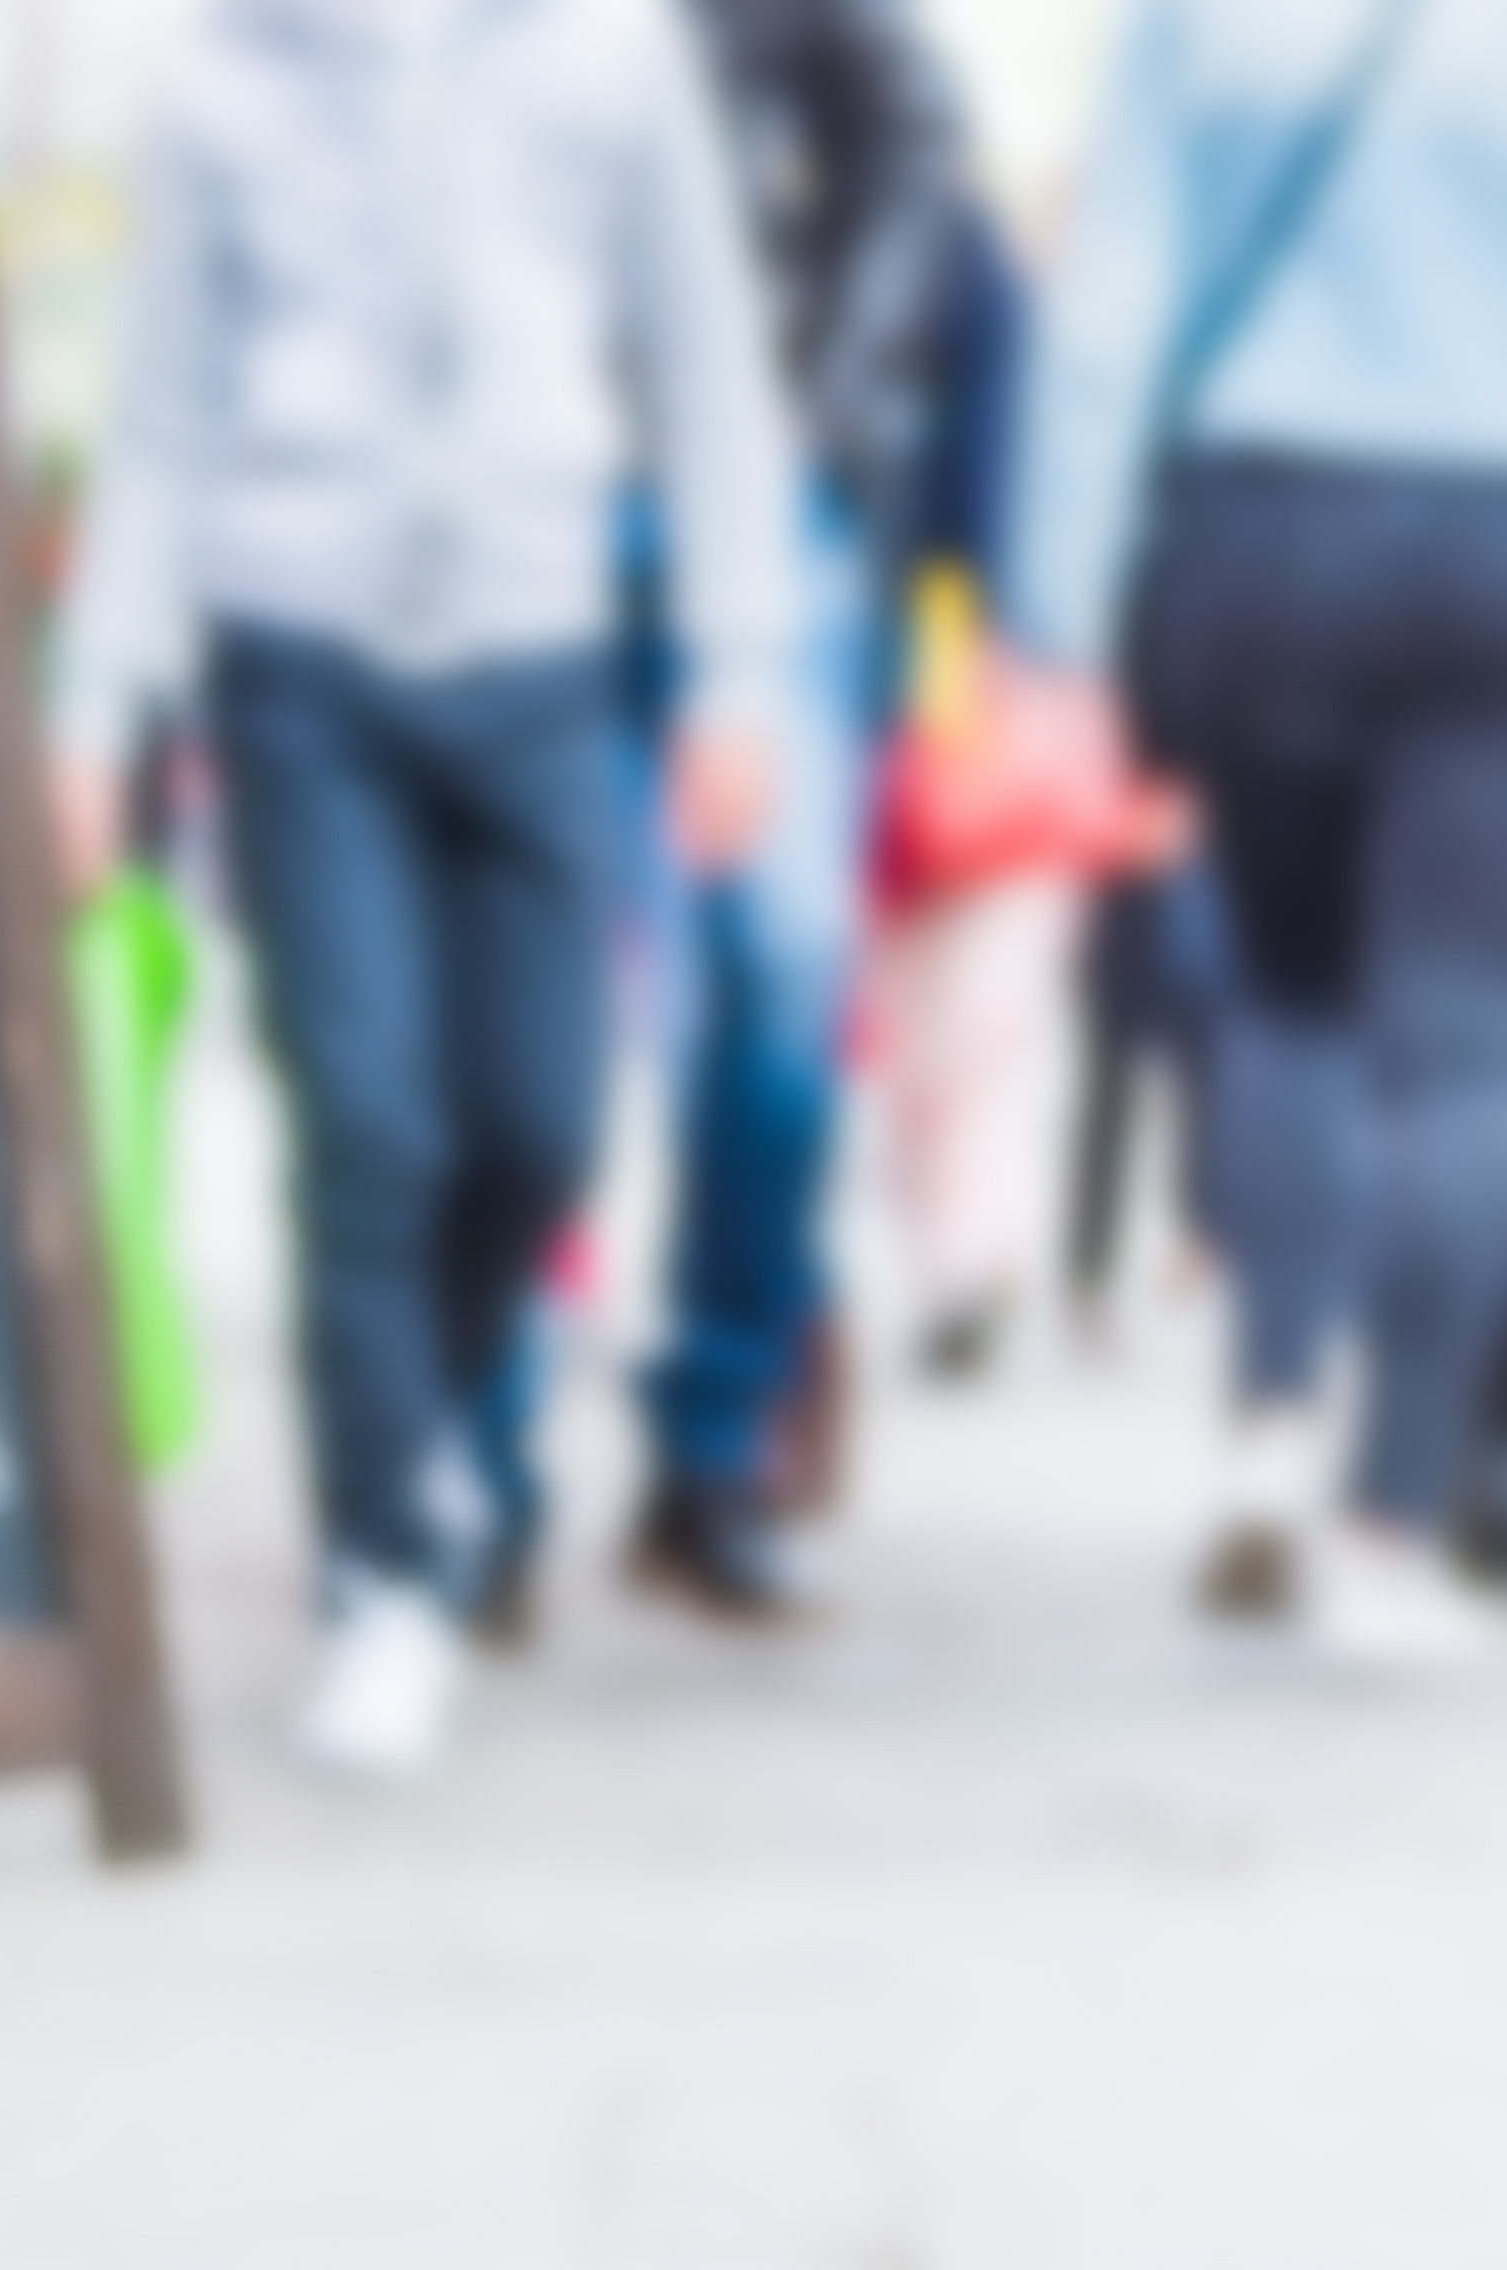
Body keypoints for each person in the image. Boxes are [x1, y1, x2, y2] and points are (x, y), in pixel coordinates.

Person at [55, 0, 802, 1780]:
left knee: (543, 1127)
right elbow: (159, 419)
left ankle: (432, 1436)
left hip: (540, 648)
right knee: (368, 1126)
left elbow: (706, 373)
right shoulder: (229, 72)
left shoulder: (612, 56)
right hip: (299, 651)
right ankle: (383, 1572)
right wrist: (96, 703)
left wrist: (739, 664)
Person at [1015, 0, 1507, 1664]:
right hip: (1487, 537)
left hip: (1262, 528)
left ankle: (1267, 1433)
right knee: (1461, 1047)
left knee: (1286, 1002)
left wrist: (1055, 626)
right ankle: (1390, 1526)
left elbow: (1104, 320)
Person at [629, 0, 973, 1617]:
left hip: (766, 495)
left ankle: (718, 1425)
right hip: (513, 500)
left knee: (781, 971)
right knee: (519, 1016)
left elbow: (916, 116)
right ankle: (446, 1478)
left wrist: (829, 397)